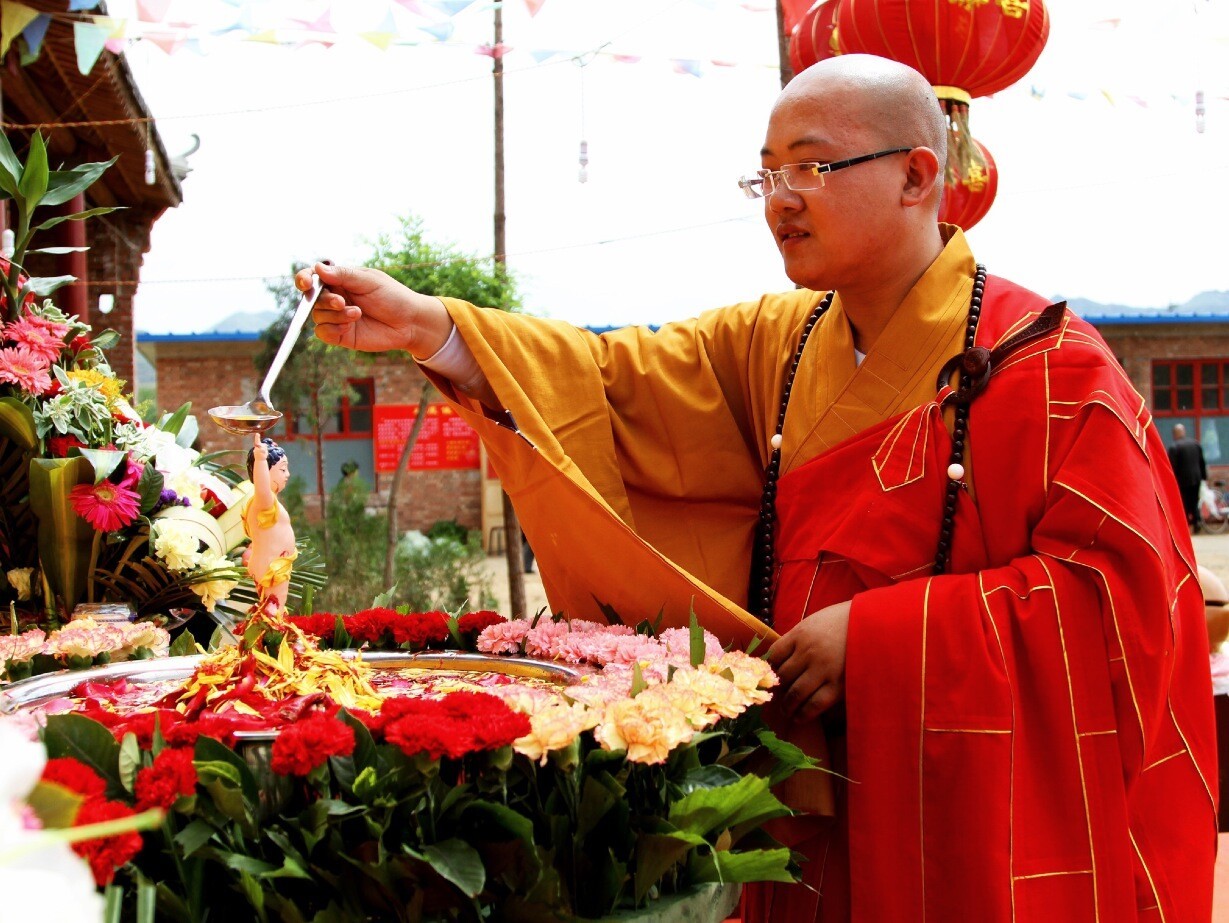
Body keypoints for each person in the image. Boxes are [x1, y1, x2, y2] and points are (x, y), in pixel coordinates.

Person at [302, 54, 1215, 922]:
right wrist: (430, 328)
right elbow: (611, 384)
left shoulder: (1049, 367)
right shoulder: (774, 346)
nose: (778, 202)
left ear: (915, 176)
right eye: (765, 175)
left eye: (811, 168)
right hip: (806, 784)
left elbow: (1122, 604)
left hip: (967, 801)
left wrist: (881, 634)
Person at [243, 435, 296, 612]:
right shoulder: (263, 501)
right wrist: (260, 460)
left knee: (274, 610)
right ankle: (269, 639)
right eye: (282, 470)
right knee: (273, 613)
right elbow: (262, 487)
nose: (287, 475)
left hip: (273, 564)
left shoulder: (265, 503)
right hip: (271, 568)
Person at [1167, 422, 1207, 531]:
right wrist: (1204, 477)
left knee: (1183, 502)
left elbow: (1172, 466)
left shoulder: (1174, 447)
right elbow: (1202, 462)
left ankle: (1186, 524)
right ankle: (1197, 521)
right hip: (1196, 478)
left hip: (1182, 480)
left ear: (1174, 434)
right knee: (1194, 501)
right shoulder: (1195, 444)